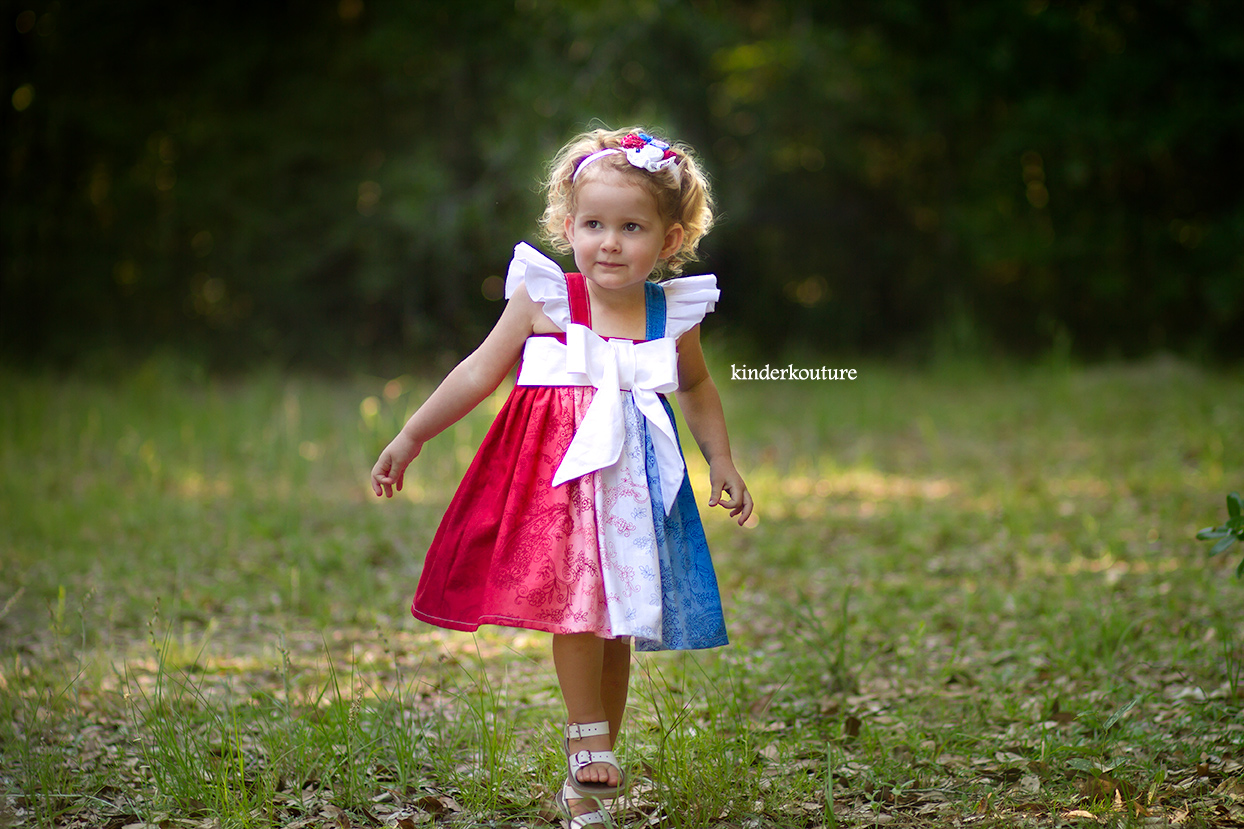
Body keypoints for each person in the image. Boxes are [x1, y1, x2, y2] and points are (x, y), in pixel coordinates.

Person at [371, 126, 753, 828]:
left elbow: (695, 387)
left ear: (669, 240)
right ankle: (587, 738)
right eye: (593, 224)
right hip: (561, 486)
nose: (609, 242)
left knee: (619, 624)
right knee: (578, 605)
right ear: (568, 226)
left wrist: (719, 458)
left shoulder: (671, 313)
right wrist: (412, 433)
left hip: (633, 489)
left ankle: (586, 785)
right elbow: (479, 371)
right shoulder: (547, 298)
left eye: (631, 227)